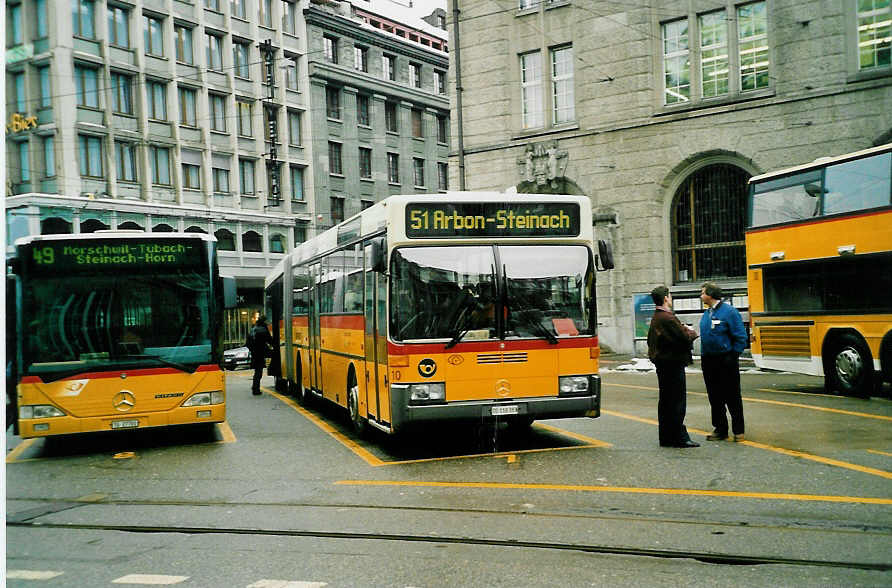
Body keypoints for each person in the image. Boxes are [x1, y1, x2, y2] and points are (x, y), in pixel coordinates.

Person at [647, 286, 699, 448]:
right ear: (665, 298)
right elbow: (683, 337)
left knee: (666, 401)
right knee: (676, 401)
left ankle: (666, 436)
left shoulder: (656, 317)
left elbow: (651, 341)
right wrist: (691, 332)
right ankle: (678, 437)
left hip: (663, 363)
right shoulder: (668, 318)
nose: (670, 298)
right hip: (672, 363)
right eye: (669, 296)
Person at [699, 282, 748, 442]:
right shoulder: (707, 314)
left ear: (710, 295)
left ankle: (738, 430)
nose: (701, 296)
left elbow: (740, 336)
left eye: (703, 293)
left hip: (726, 360)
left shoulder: (730, 312)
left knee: (732, 395)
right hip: (709, 360)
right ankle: (720, 429)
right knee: (715, 396)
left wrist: (733, 355)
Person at [246, 315, 274, 396]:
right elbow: (269, 340)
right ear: (264, 322)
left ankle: (255, 387)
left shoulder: (253, 329)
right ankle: (256, 389)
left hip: (255, 354)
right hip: (260, 353)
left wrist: (252, 350)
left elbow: (248, 343)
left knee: (257, 371)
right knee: (259, 371)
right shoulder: (263, 329)